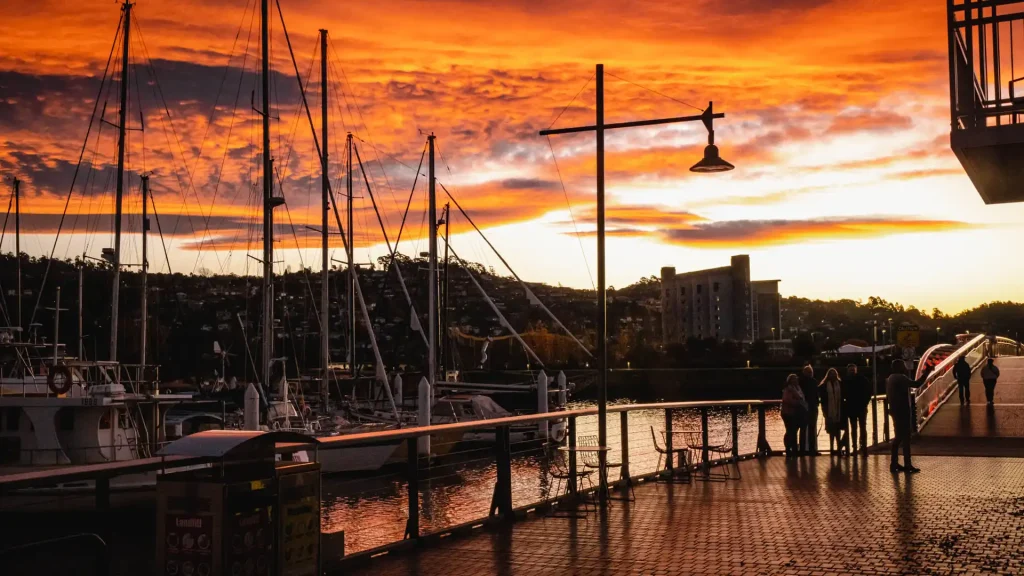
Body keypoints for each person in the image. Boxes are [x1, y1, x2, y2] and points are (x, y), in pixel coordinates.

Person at [886, 359, 921, 473]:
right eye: (903, 366)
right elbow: (916, 384)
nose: (905, 367)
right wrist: (927, 372)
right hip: (903, 411)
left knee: (898, 437)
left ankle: (894, 463)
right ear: (900, 367)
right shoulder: (901, 378)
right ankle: (907, 464)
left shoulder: (891, 378)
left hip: (895, 410)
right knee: (905, 438)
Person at [843, 364, 871, 456]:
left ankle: (863, 447)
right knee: (854, 428)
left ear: (856, 370)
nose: (852, 371)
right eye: (850, 370)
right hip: (852, 408)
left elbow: (868, 393)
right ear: (848, 371)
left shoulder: (862, 379)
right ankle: (855, 447)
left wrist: (865, 403)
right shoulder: (845, 380)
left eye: (853, 370)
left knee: (862, 428)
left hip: (860, 407)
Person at [781, 374, 808, 458]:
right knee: (790, 431)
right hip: (788, 413)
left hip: (795, 413)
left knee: (793, 431)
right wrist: (798, 403)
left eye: (796, 379)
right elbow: (787, 400)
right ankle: (789, 449)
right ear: (789, 380)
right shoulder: (788, 389)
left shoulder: (798, 388)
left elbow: (802, 398)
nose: (795, 380)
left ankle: (795, 450)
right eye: (793, 379)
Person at [819, 368, 844, 455]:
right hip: (829, 411)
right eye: (831, 374)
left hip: (839, 411)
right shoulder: (824, 386)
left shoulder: (840, 384)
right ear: (828, 375)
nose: (833, 375)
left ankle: (838, 448)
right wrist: (825, 412)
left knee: (838, 431)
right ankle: (832, 448)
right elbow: (823, 401)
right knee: (831, 431)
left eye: (834, 373)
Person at [798, 364, 820, 455]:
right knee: (803, 429)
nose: (810, 373)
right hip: (804, 408)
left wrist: (817, 404)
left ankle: (812, 449)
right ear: (804, 372)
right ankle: (802, 450)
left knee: (812, 428)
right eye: (808, 372)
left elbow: (816, 394)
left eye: (811, 372)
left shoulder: (814, 381)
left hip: (813, 407)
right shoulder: (800, 382)